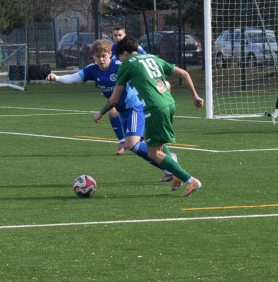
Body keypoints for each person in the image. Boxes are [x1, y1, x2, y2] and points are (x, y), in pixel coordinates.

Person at [48, 39, 180, 184]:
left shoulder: (121, 66)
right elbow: (73, 78)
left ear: (110, 54)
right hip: (123, 111)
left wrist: (164, 84)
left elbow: (142, 74)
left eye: (104, 56)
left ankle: (170, 163)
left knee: (132, 145)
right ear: (93, 57)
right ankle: (169, 164)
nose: (101, 60)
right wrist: (57, 77)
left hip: (134, 108)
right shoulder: (92, 69)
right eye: (98, 57)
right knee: (146, 139)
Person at [95, 34, 204, 197]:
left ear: (124, 53)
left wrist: (101, 112)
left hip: (154, 107)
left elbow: (114, 99)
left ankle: (190, 180)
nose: (120, 61)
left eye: (120, 57)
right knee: (151, 139)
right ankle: (176, 174)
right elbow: (185, 74)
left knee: (154, 153)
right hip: (169, 103)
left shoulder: (126, 65)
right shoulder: (153, 58)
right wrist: (195, 96)